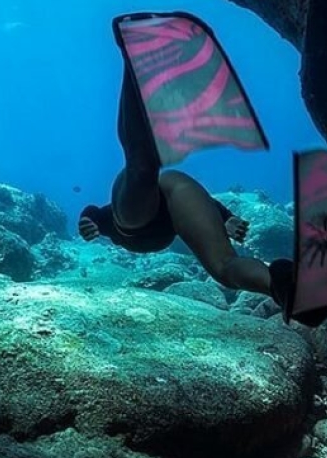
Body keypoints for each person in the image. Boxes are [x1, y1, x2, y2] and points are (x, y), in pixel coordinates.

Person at [78, 60, 291, 306]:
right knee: (224, 267)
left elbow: (94, 212)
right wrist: (225, 217)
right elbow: (94, 212)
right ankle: (284, 284)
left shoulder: (115, 215)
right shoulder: (110, 217)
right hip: (173, 192)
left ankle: (133, 63)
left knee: (141, 164)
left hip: (149, 213)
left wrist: (87, 220)